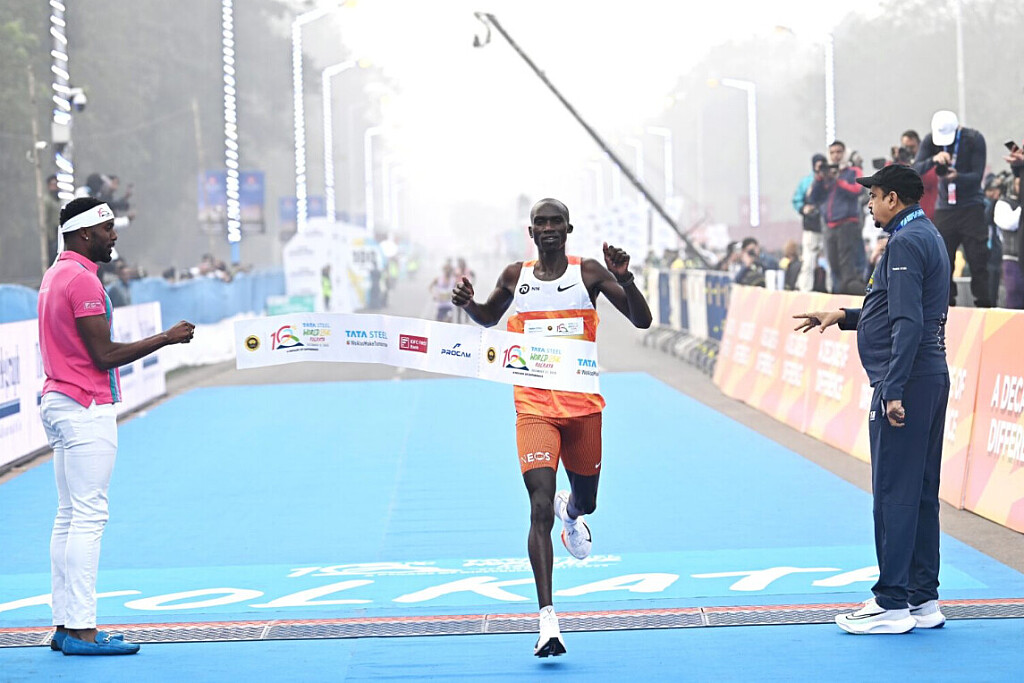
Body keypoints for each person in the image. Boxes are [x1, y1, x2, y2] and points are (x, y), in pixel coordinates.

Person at [451, 198, 651, 657]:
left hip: (583, 408)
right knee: (537, 507)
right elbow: (489, 317)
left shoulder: (589, 273)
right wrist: (469, 305)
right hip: (534, 407)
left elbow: (642, 320)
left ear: (568, 228)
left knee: (587, 501)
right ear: (531, 231)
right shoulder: (514, 276)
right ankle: (547, 621)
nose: (548, 228)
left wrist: (625, 279)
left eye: (555, 221)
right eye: (540, 222)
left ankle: (572, 514)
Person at [794, 165, 950, 635]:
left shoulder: (903, 243)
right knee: (919, 493)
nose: (869, 204)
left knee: (894, 493)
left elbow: (907, 321)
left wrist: (894, 389)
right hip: (929, 375)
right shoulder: (926, 234)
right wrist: (842, 315)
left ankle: (891, 603)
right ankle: (923, 599)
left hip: (907, 381)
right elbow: (894, 308)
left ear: (894, 199)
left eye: (875, 196)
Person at [37, 197, 195, 655]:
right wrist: (166, 338)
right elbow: (103, 355)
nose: (114, 235)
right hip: (84, 405)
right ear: (85, 233)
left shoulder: (53, 275)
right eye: (108, 228)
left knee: (69, 515)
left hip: (59, 400)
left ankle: (66, 625)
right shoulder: (82, 280)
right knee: (89, 517)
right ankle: (82, 631)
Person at [913, 110, 990, 307]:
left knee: (978, 260)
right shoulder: (931, 140)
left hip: (971, 206)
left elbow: (977, 175)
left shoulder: (974, 139)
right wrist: (934, 159)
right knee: (942, 261)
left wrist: (958, 176)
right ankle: (945, 306)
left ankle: (984, 305)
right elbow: (915, 169)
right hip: (945, 209)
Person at [810, 140, 866, 294]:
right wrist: (820, 178)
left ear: (845, 153)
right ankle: (839, 292)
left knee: (847, 264)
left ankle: (850, 292)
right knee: (833, 264)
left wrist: (838, 181)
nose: (835, 156)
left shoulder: (853, 171)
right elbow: (814, 198)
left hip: (847, 223)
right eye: (832, 152)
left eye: (839, 152)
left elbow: (857, 190)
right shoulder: (826, 174)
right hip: (829, 225)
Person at [793, 154, 827, 292]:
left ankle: (831, 288)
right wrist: (803, 209)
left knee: (830, 262)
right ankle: (805, 289)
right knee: (808, 260)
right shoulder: (806, 182)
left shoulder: (830, 180)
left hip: (827, 226)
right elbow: (797, 200)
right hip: (811, 226)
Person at [900, 130, 938, 220]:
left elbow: (931, 180)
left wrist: (913, 167)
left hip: (930, 215)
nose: (909, 151)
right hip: (911, 216)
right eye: (906, 147)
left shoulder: (929, 163)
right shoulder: (901, 164)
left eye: (912, 147)